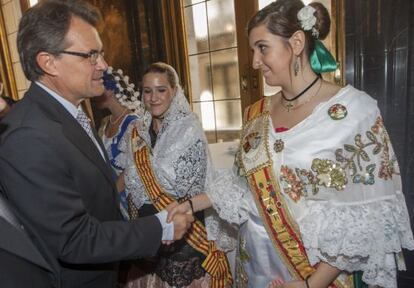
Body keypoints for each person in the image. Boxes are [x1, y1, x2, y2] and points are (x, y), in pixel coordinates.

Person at [169, 1, 414, 288]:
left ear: (296, 42)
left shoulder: (354, 112)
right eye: (253, 50)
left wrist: (312, 284)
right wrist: (190, 205)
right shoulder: (255, 113)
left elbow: (366, 218)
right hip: (256, 264)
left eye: (262, 48)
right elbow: (243, 185)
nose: (254, 62)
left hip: (314, 275)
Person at [0, 1, 193, 288]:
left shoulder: (67, 113)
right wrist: (159, 226)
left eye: (100, 53)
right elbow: (74, 239)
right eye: (91, 55)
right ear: (48, 62)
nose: (103, 64)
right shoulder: (29, 135)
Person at [121, 62, 233, 288]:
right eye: (147, 91)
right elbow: (130, 179)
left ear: (174, 90)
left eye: (161, 90)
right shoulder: (136, 131)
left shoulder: (189, 129)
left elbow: (193, 188)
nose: (153, 98)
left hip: (184, 233)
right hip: (147, 232)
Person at [95, 66, 143, 218]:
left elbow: (135, 167)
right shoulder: (104, 123)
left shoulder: (134, 124)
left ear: (109, 90)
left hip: (127, 201)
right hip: (107, 196)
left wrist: (110, 197)